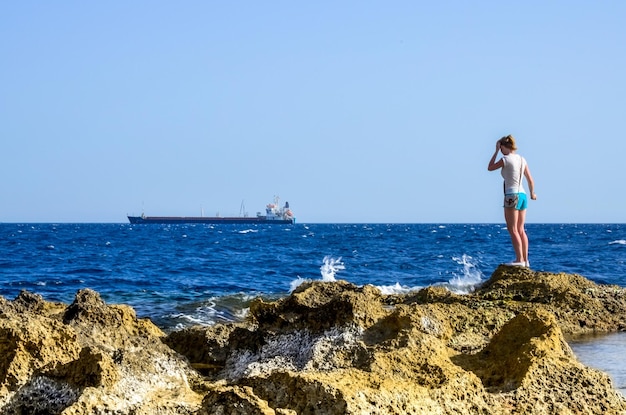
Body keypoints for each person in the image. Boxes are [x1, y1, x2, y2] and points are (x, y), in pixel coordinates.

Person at [487, 135, 537, 267]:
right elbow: (530, 180)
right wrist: (532, 193)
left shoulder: (505, 159)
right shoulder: (522, 159)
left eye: (501, 147)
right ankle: (525, 260)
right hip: (523, 195)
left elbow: (490, 167)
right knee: (521, 229)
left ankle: (519, 259)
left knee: (512, 229)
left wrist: (496, 151)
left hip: (511, 195)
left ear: (503, 146)